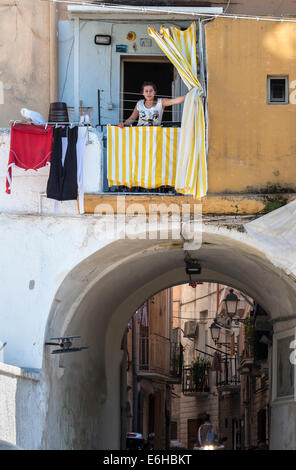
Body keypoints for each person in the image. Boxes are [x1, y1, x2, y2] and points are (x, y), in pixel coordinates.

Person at [118, 81, 186, 127]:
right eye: (146, 91)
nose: (148, 93)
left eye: (151, 91)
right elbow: (132, 118)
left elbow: (175, 101)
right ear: (143, 93)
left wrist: (189, 96)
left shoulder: (161, 102)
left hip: (155, 135)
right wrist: (124, 124)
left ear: (155, 92)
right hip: (140, 134)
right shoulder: (139, 103)